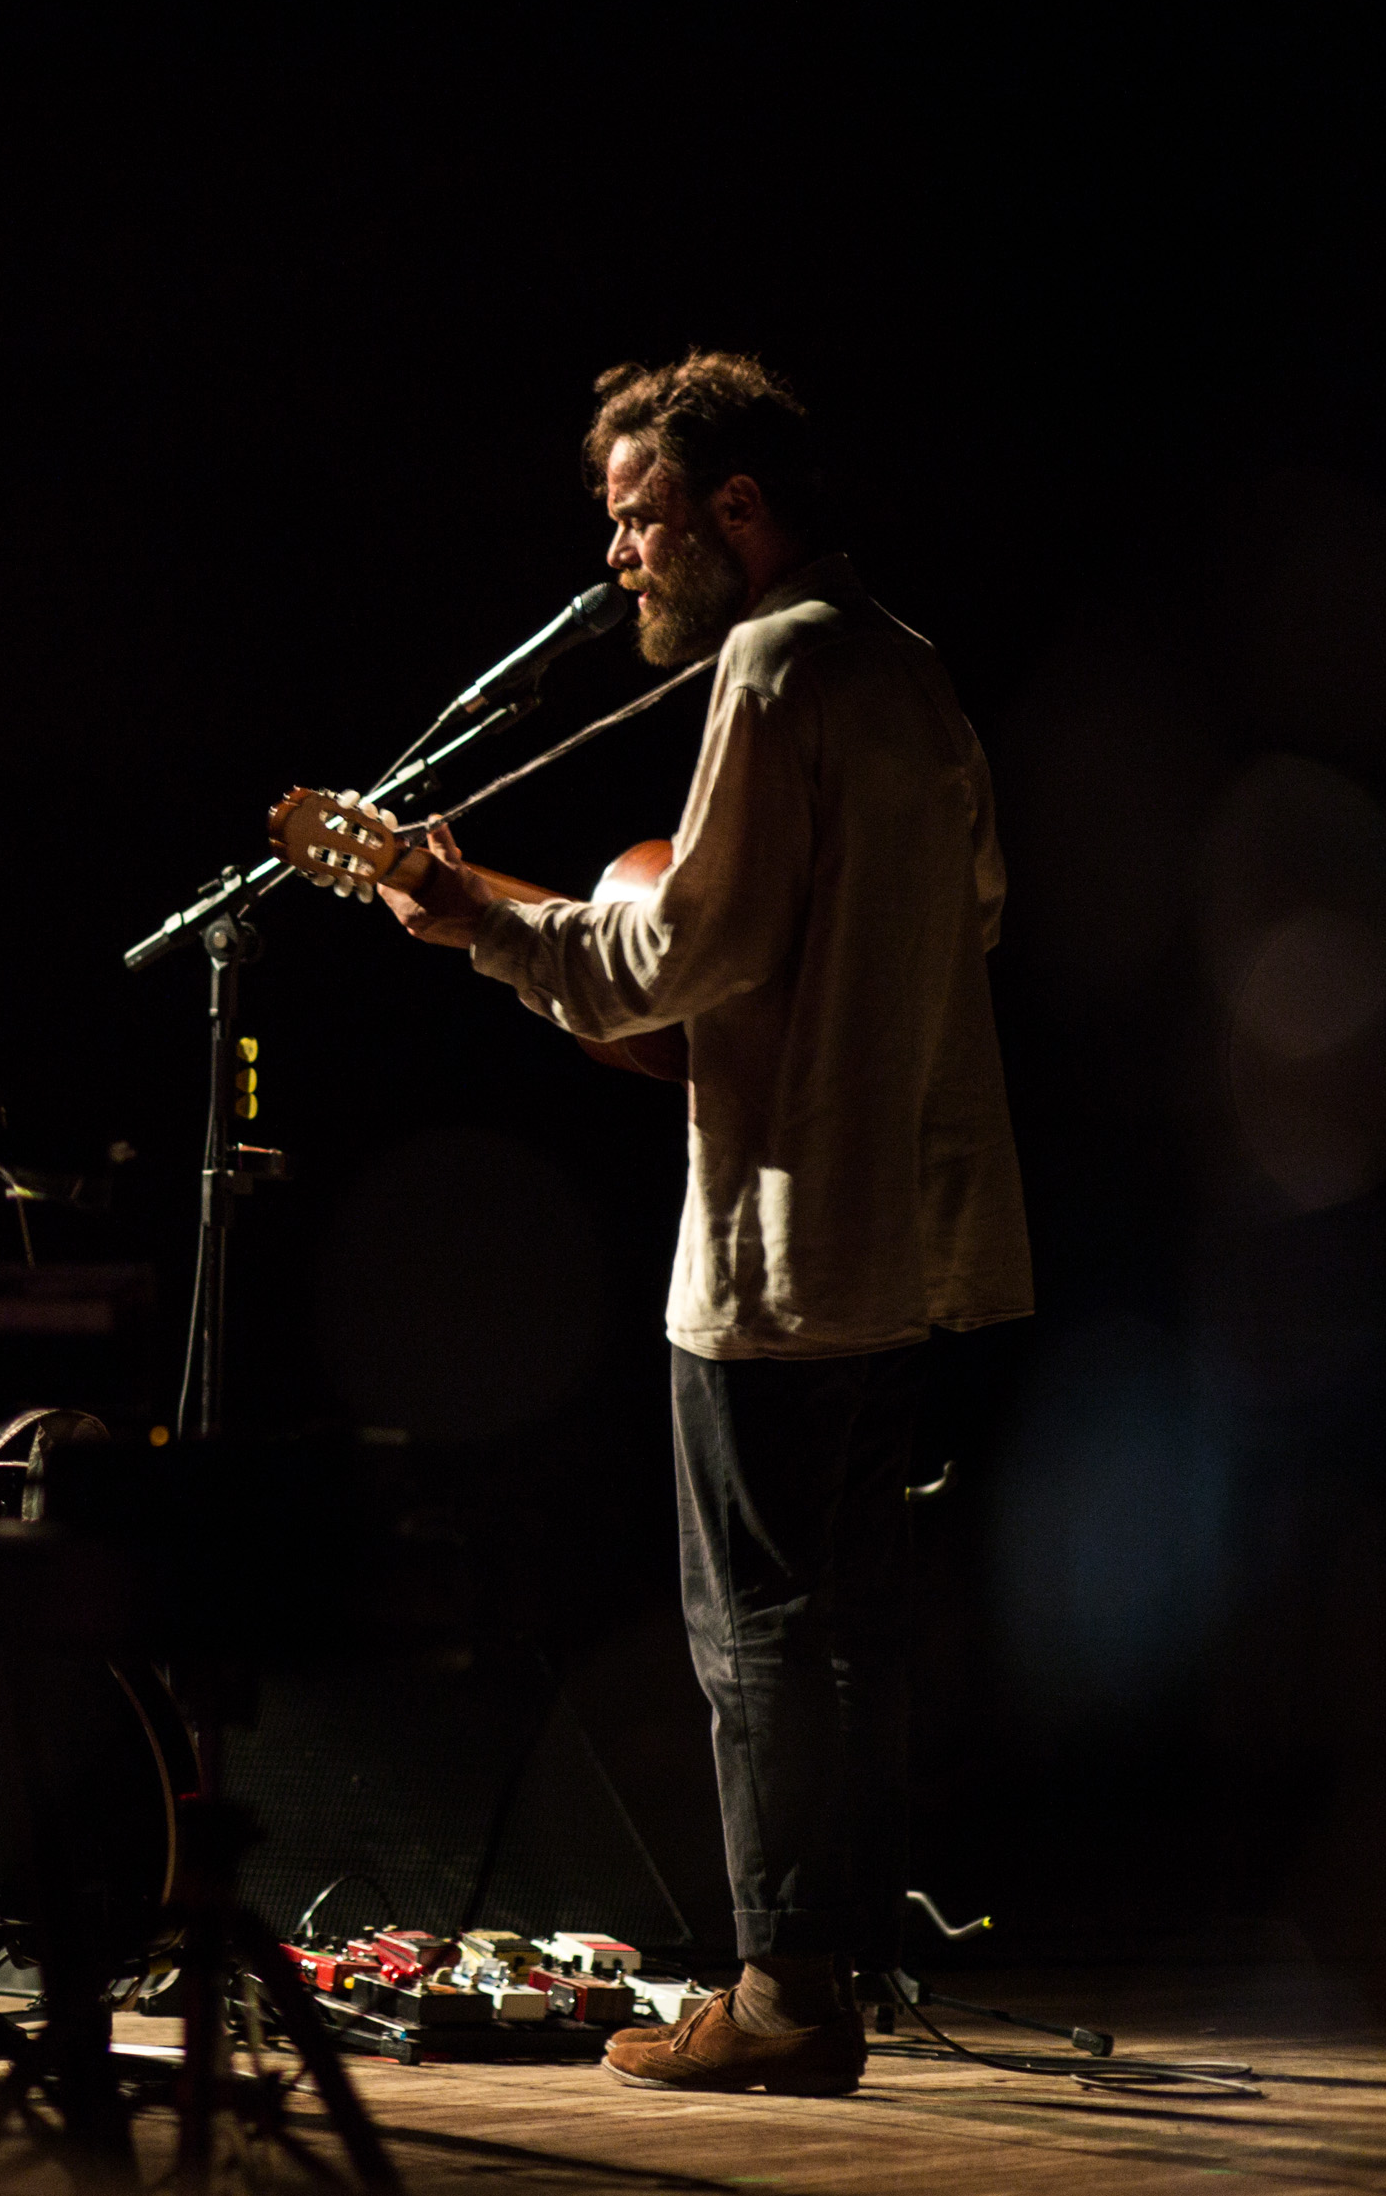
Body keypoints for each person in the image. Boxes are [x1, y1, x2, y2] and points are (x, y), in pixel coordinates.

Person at [359, 352, 1031, 2094]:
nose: (623, 560)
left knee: (755, 1642)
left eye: (646, 518)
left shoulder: (775, 660)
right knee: (849, 1635)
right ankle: (833, 1967)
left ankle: (784, 1992)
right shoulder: (913, 670)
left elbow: (665, 959)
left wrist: (473, 915)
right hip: (912, 1244)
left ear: (739, 510)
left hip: (771, 1257)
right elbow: (975, 908)